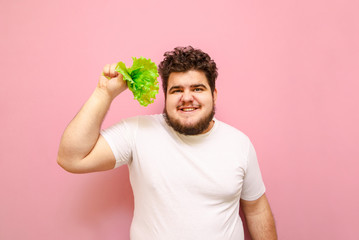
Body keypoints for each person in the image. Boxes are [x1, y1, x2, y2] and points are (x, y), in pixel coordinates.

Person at [57, 46, 277, 240]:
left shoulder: (239, 144)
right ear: (166, 96)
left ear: (214, 95)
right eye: (177, 90)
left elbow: (256, 209)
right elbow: (71, 158)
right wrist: (103, 93)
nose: (187, 97)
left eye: (197, 89)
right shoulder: (137, 132)